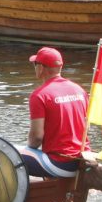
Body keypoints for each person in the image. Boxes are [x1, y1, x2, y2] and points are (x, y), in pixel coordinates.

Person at [19, 47, 89, 178]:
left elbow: (36, 138)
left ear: (40, 68)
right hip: (82, 161)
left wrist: (29, 148)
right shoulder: (79, 90)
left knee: (6, 156)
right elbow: (86, 126)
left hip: (60, 165)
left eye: (35, 64)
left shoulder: (39, 95)